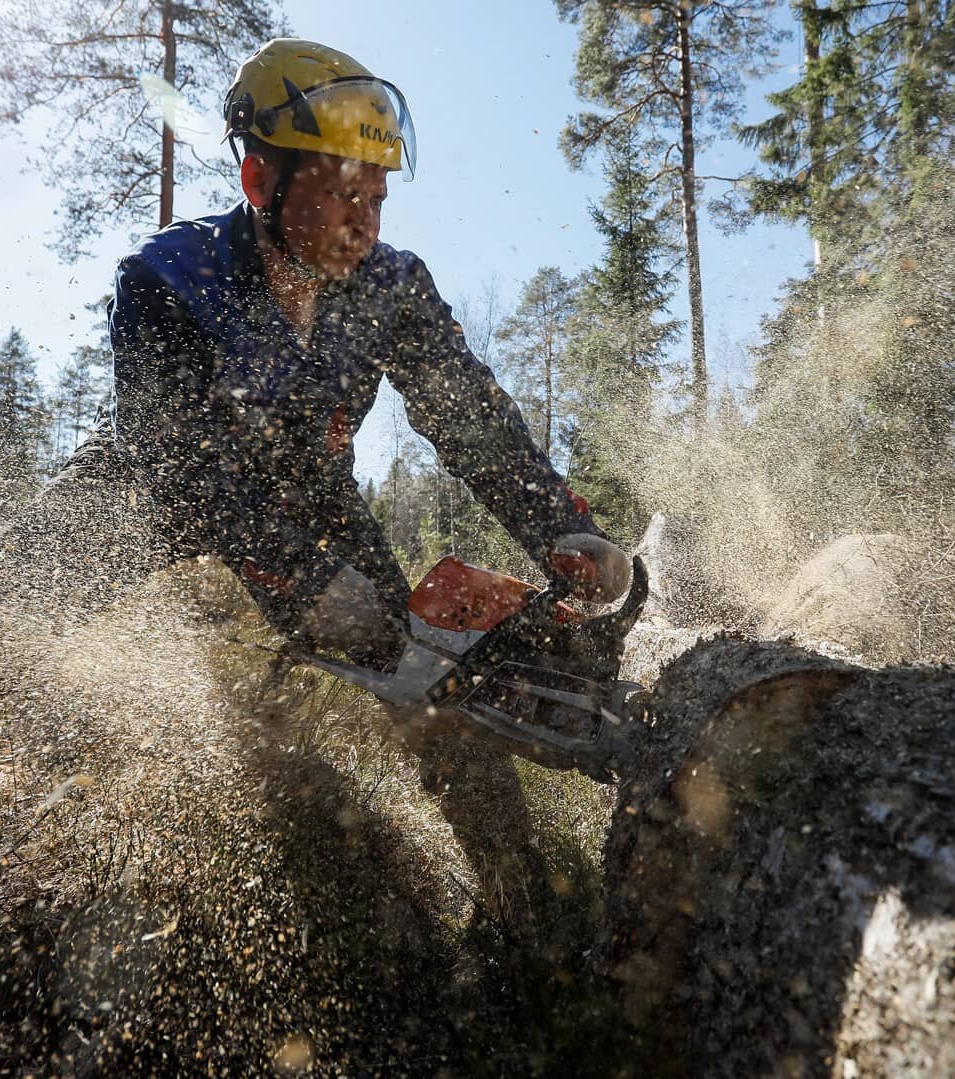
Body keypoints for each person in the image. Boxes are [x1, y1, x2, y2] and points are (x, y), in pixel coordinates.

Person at [101, 37, 632, 667]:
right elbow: (172, 465)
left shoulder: (392, 288)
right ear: (261, 179)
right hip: (160, 498)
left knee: (418, 669)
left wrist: (560, 529)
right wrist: (298, 573)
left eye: (377, 199)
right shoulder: (168, 277)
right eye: (345, 196)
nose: (367, 225)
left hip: (315, 497)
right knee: (36, 577)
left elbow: (473, 420)